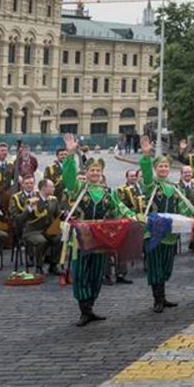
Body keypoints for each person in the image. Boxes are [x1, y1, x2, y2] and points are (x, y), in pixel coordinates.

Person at [60, 134, 137, 326]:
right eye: (92, 170)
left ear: (102, 173)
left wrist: (134, 217)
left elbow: (120, 208)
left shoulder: (109, 193)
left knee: (96, 274)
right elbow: (68, 178)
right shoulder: (78, 189)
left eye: (98, 171)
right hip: (81, 239)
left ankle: (91, 305)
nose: (95, 173)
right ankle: (83, 310)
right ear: (86, 172)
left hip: (101, 238)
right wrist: (70, 155)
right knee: (82, 274)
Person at [139, 135, 194, 312]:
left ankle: (163, 297)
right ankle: (157, 300)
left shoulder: (175, 188)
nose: (164, 169)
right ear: (155, 168)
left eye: (166, 166)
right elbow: (146, 174)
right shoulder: (151, 185)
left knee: (166, 267)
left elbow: (184, 207)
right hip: (154, 234)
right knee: (156, 267)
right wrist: (146, 156)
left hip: (170, 235)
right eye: (160, 166)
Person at [12, 177, 62, 275]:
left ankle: (53, 265)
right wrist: (30, 208)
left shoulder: (54, 200)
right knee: (41, 241)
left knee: (59, 239)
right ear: (44, 188)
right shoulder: (31, 201)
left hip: (48, 230)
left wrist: (64, 215)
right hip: (33, 231)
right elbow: (21, 219)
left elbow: (58, 216)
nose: (54, 189)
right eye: (51, 187)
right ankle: (39, 266)